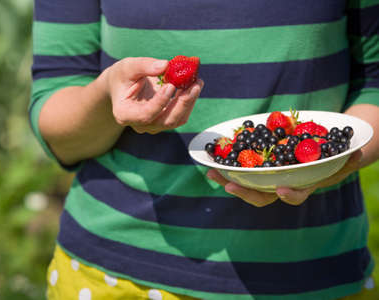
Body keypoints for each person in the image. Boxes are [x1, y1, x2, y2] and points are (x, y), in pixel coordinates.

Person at [29, 0, 379, 299]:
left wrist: (330, 161)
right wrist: (107, 98)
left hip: (315, 275)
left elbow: (374, 85)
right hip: (117, 276)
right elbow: (58, 120)